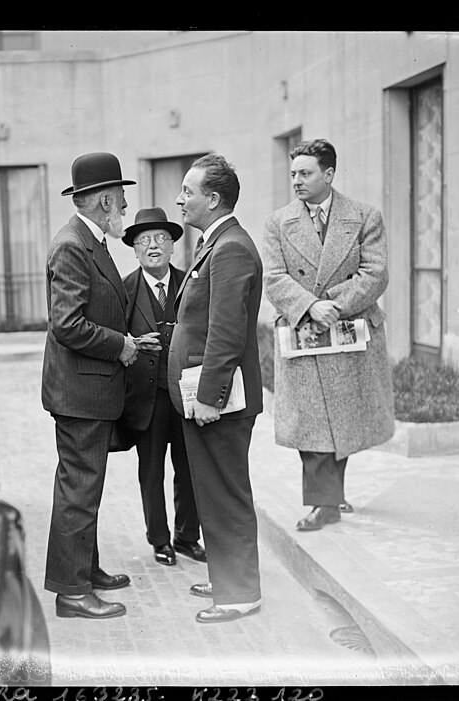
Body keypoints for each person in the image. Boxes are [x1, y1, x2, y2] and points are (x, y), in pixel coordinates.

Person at [41, 152, 159, 620]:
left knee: (84, 488)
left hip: (88, 391)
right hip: (81, 393)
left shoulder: (90, 240)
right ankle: (72, 593)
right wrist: (123, 346)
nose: (127, 209)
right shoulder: (72, 245)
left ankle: (84, 571)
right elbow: (67, 324)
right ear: (105, 200)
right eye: (123, 200)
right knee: (78, 490)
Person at [262, 138, 394, 531]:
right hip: (304, 331)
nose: (297, 181)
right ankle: (325, 502)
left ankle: (331, 495)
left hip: (349, 331)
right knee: (311, 422)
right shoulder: (277, 222)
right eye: (293, 174)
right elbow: (274, 277)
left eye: (305, 173)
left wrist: (334, 304)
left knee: (342, 419)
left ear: (329, 174)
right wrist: (309, 306)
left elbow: (376, 273)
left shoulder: (365, 217)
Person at [167, 155, 264, 623]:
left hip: (219, 400)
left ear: (214, 199)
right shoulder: (216, 243)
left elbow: (227, 332)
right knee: (213, 490)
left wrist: (209, 397)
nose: (180, 199)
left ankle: (240, 593)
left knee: (226, 492)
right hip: (209, 396)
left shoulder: (231, 249)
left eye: (188, 191)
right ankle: (228, 575)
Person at [118, 207, 205, 567]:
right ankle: (160, 540)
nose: (153, 246)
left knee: (189, 469)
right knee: (151, 470)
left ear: (172, 247)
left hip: (184, 396)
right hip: (146, 398)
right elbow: (113, 337)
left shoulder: (192, 283)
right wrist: (132, 342)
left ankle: (187, 537)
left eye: (161, 239)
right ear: (135, 250)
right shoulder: (124, 290)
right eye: (144, 240)